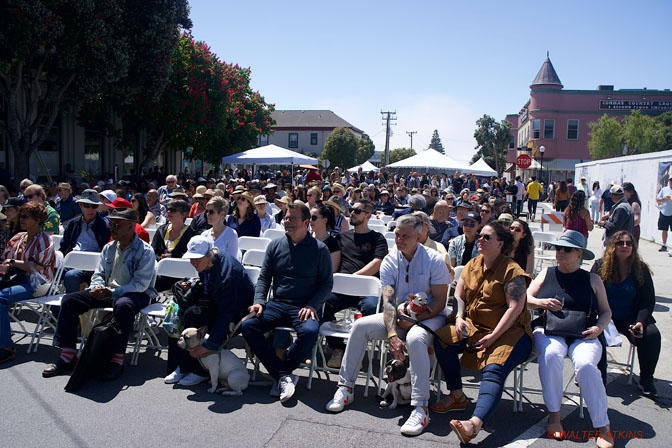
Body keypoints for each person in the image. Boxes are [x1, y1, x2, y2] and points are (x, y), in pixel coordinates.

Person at [326, 214, 449, 437]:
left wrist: (415, 320)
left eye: (405, 236)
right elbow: (389, 301)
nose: (399, 240)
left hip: (429, 316)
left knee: (415, 339)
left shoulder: (435, 259)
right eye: (397, 235)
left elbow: (440, 301)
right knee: (360, 326)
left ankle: (421, 406)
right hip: (398, 314)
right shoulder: (391, 260)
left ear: (419, 236)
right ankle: (345, 388)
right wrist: (392, 334)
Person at [431, 222, 531, 444]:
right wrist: (458, 317)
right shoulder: (473, 264)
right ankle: (457, 395)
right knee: (442, 339)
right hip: (474, 326)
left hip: (510, 332)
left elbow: (515, 308)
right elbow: (459, 294)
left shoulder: (512, 270)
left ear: (500, 243)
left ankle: (473, 424)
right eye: (480, 236)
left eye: (487, 237)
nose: (480, 239)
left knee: (493, 369)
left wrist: (493, 337)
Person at [43, 208, 156, 381]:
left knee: (123, 305)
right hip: (108, 291)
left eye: (117, 225)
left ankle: (117, 360)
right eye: (111, 224)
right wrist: (96, 287)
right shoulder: (109, 248)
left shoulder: (145, 251)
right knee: (69, 300)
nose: (112, 228)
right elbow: (99, 274)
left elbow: (140, 285)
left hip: (135, 293)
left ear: (131, 226)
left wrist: (111, 292)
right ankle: (68, 355)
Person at [526, 230, 613, 448]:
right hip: (550, 330)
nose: (560, 252)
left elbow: (606, 311)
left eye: (567, 249)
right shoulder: (547, 273)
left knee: (585, 364)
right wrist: (542, 303)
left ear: (579, 254)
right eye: (558, 248)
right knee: (551, 355)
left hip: (584, 333)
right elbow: (526, 299)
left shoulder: (592, 279)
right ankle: (554, 415)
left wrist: (599, 328)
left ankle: (603, 425)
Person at [241, 201, 333, 402]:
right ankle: (283, 376)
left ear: (306, 222)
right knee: (248, 326)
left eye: (293, 218)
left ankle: (281, 373)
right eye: (286, 217)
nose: (287, 222)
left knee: (309, 331)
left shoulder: (320, 249)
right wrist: (259, 302)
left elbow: (326, 283)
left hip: (304, 305)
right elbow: (264, 278)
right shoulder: (275, 245)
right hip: (278, 303)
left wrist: (312, 305)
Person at [164, 236, 254, 385]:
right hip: (218, 302)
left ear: (208, 255)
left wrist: (208, 346)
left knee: (193, 316)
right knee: (181, 312)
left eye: (197, 259)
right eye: (191, 259)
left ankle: (199, 371)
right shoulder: (207, 262)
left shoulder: (225, 275)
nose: (193, 263)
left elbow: (226, 314)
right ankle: (183, 365)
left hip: (237, 313)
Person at [592, 231, 660, 397]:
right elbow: (590, 294)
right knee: (594, 334)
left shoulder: (641, 269)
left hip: (631, 317)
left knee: (652, 335)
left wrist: (641, 322)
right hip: (605, 315)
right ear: (612, 246)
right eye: (620, 243)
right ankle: (593, 374)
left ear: (633, 247)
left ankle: (646, 380)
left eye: (628, 243)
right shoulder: (600, 266)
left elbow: (648, 300)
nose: (624, 246)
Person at [322, 200, 387, 368]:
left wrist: (353, 279)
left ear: (368, 215)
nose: (352, 213)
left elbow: (377, 263)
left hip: (365, 289)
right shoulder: (341, 237)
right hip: (342, 288)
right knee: (321, 304)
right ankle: (337, 348)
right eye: (351, 210)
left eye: (357, 211)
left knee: (371, 308)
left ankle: (356, 349)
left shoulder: (378, 238)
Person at [0, 202, 56, 363]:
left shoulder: (45, 239)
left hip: (38, 283)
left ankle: (6, 347)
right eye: (21, 215)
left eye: (26, 216)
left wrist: (13, 262)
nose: (21, 219)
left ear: (38, 219)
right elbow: (5, 260)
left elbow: (37, 268)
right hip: (15, 278)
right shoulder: (18, 237)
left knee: (0, 298)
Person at [60, 190, 111, 293]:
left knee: (71, 276)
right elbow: (64, 246)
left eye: (94, 206)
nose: (90, 209)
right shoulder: (72, 224)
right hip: (72, 263)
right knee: (53, 270)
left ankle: (73, 305)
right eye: (87, 205)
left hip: (93, 267)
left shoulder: (105, 225)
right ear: (80, 205)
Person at [151, 199, 196, 292]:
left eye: (173, 210)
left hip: (181, 276)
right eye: (168, 209)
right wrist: (160, 258)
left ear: (184, 214)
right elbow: (153, 251)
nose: (168, 212)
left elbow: (190, 257)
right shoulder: (161, 230)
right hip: (160, 273)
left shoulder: (192, 234)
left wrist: (171, 259)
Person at [309, 203, 341, 270]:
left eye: (314, 218)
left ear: (325, 220)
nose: (310, 221)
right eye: (309, 217)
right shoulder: (305, 238)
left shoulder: (333, 244)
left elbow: (332, 269)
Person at [656, 177, 672, 252]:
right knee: (664, 230)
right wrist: (664, 198)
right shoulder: (664, 189)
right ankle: (664, 245)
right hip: (664, 212)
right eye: (671, 180)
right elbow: (657, 199)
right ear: (669, 181)